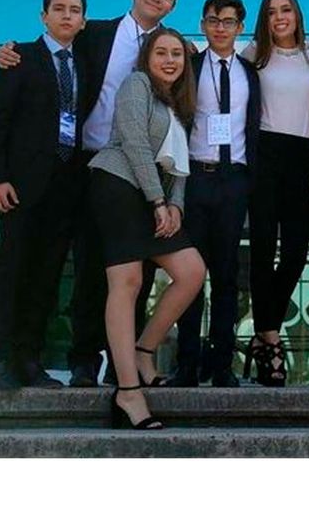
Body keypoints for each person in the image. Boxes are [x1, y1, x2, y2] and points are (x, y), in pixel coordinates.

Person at [0, 0, 182, 387]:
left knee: (135, 270)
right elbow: (46, 54)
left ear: (172, 5)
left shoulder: (172, 49)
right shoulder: (93, 33)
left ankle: (123, 362)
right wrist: (7, 52)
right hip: (84, 164)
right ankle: (81, 360)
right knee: (86, 265)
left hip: (140, 170)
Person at [88, 28, 206, 429]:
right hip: (119, 185)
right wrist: (158, 200)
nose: (170, 60)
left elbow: (180, 166)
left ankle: (144, 350)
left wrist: (175, 205)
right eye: (161, 53)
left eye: (177, 54)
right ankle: (127, 391)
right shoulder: (136, 84)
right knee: (128, 282)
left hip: (154, 195)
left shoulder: (179, 102)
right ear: (147, 57)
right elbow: (135, 142)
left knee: (191, 271)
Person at [0, 0, 88, 389]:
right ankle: (4, 360)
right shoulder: (19, 58)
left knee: (47, 277)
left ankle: (31, 360)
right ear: (44, 16)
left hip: (66, 186)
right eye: (58, 9)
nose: (67, 16)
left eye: (74, 10)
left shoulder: (85, 62)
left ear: (83, 21)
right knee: (15, 271)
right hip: (21, 186)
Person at [167, 0, 261, 388]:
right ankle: (187, 364)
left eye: (228, 21)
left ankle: (222, 365)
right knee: (190, 274)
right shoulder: (188, 67)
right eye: (213, 20)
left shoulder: (251, 72)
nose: (220, 28)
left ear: (241, 27)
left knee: (226, 276)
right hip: (194, 178)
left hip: (234, 180)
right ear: (202, 25)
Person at [239, 0, 309, 386]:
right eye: (271, 12)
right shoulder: (253, 55)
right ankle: (271, 341)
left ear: (297, 14)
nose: (279, 17)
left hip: (302, 156)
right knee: (261, 250)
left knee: (295, 253)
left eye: (286, 9)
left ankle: (261, 331)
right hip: (265, 155)